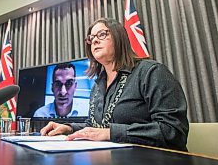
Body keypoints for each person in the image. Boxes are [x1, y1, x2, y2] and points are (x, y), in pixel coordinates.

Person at [40, 18, 189, 151]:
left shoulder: (151, 72)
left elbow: (173, 131)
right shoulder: (98, 85)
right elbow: (95, 126)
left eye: (102, 35)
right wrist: (69, 128)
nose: (95, 41)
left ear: (119, 38)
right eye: (91, 38)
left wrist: (110, 133)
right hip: (113, 164)